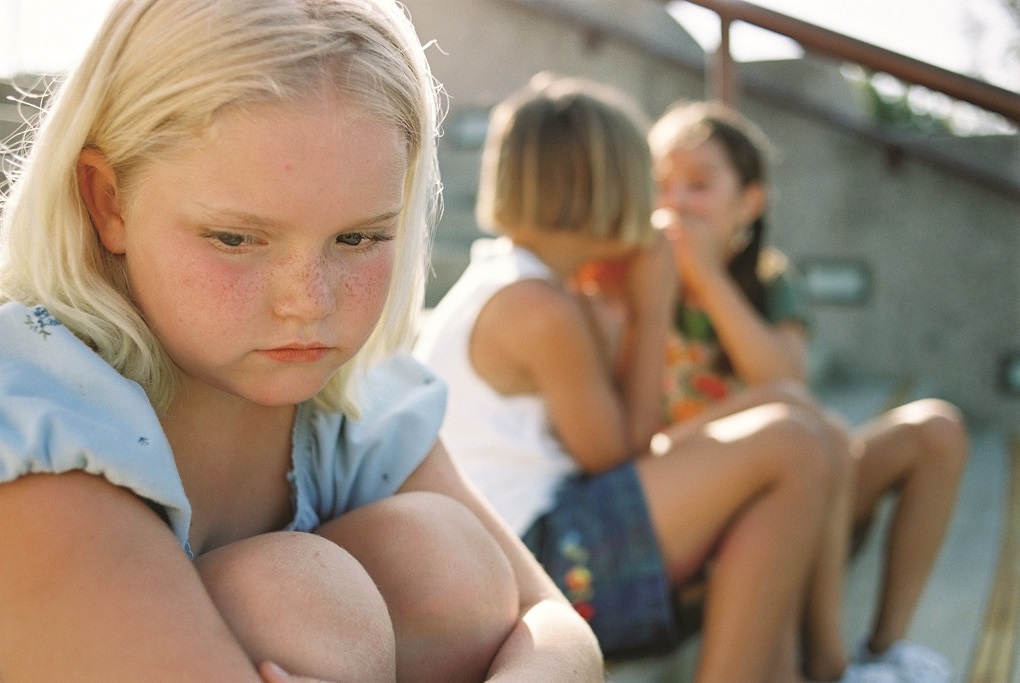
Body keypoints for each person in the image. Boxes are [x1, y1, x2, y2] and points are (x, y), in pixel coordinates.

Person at [0, 2, 605, 681]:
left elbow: (554, 626)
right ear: (107, 200)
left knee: (447, 561)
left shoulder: (353, 404)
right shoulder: (32, 415)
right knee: (301, 601)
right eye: (235, 238)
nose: (308, 301)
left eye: (358, 238)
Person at [415, 72, 853, 682]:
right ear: (606, 190)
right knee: (792, 446)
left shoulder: (521, 280)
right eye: (646, 181)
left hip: (537, 536)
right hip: (529, 560)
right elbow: (620, 454)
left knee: (788, 407)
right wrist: (652, 308)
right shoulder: (538, 308)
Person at [646, 100, 969, 683]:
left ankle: (886, 648)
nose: (675, 203)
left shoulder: (767, 278)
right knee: (811, 438)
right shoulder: (640, 279)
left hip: (792, 472)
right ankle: (829, 664)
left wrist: (710, 280)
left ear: (749, 202)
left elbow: (783, 379)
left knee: (935, 430)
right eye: (662, 186)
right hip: (708, 497)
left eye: (697, 186)